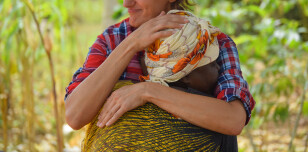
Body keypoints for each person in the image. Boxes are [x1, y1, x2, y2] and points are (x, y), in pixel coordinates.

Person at [65, 0, 255, 149]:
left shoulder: (212, 43)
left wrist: (148, 91)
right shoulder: (113, 40)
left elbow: (233, 120)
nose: (126, 2)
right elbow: (75, 116)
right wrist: (131, 44)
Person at [82, 10, 238, 151]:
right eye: (211, 64)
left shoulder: (115, 98)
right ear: (186, 75)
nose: (218, 68)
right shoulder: (215, 122)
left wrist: (148, 90)